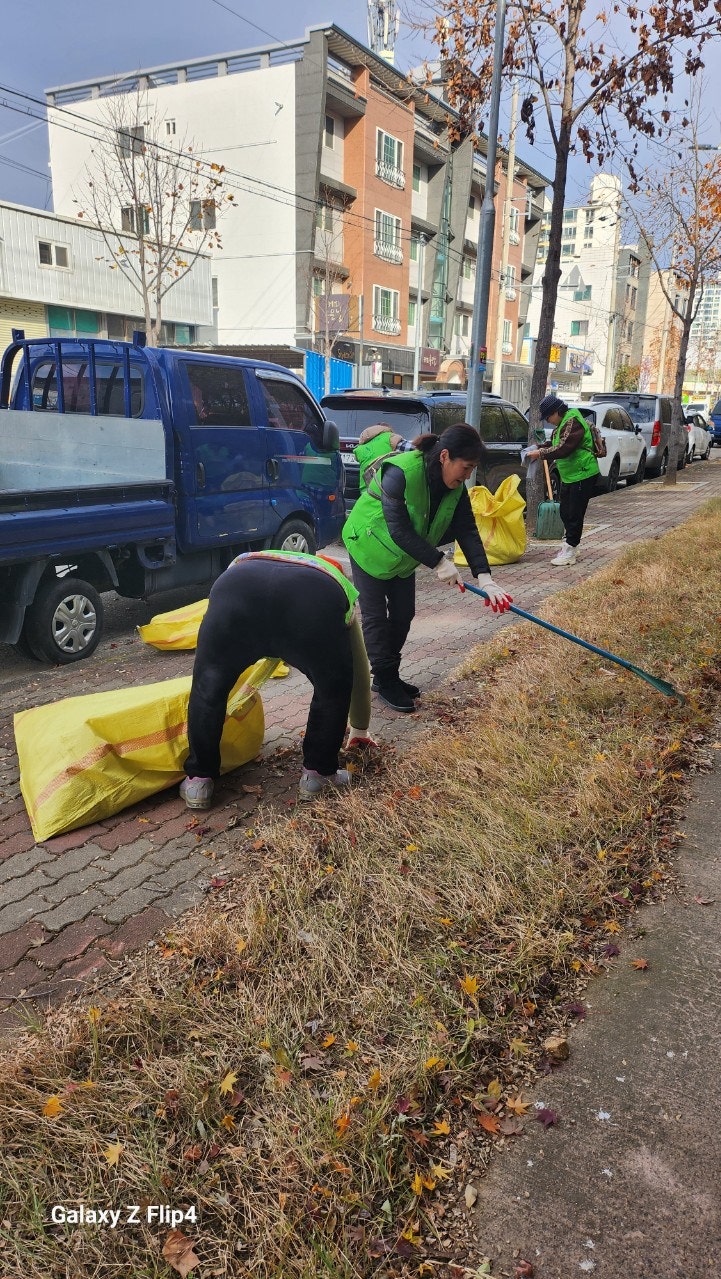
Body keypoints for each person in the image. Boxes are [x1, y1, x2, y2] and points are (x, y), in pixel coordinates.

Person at [180, 549, 375, 809]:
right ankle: (319, 775)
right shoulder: (339, 586)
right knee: (331, 687)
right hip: (311, 603)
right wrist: (360, 729)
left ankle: (198, 780)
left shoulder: (243, 562)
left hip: (236, 592)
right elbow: (358, 674)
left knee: (208, 686)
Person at [342, 423, 513, 713]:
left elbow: (467, 530)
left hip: (403, 557)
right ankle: (384, 678)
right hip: (368, 546)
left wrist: (485, 579)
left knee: (403, 613)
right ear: (445, 456)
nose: (468, 474)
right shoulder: (401, 472)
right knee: (375, 617)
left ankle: (387, 675)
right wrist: (439, 561)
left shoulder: (455, 488)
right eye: (467, 467)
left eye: (473, 468)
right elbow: (398, 528)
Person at [525, 394, 600, 567]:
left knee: (574, 513)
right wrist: (539, 448)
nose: (548, 421)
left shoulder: (573, 421)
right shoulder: (563, 423)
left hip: (583, 473)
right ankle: (571, 545)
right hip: (570, 475)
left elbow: (564, 448)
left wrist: (541, 453)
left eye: (548, 417)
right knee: (565, 511)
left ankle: (570, 550)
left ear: (557, 411)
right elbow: (555, 443)